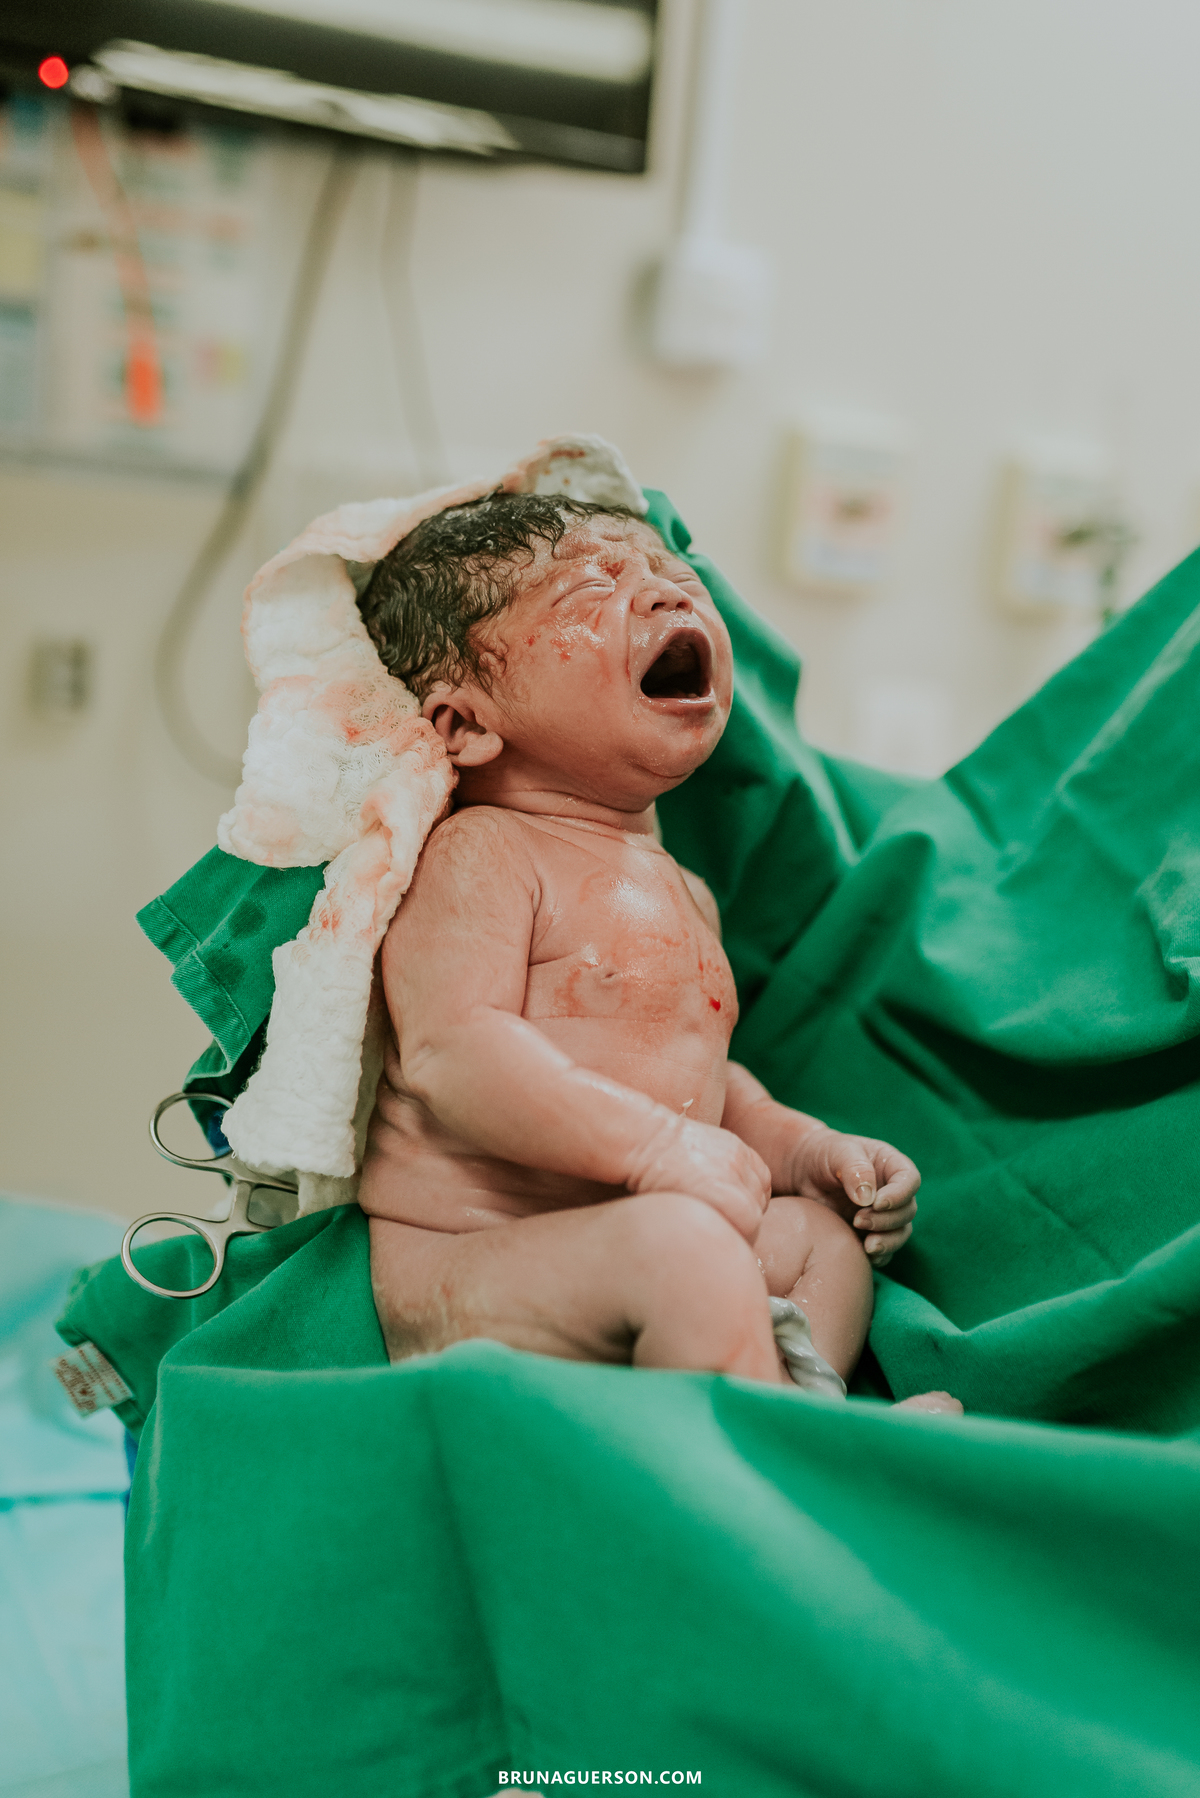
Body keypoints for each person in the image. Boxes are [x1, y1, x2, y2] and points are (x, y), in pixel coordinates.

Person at [356, 492, 959, 1411]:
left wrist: (805, 1152)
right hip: (479, 1262)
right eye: (588, 592)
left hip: (654, 1240)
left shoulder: (686, 894)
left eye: (674, 580)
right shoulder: (485, 854)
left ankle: (799, 1409)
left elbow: (711, 1084)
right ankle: (784, 1463)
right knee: (686, 1249)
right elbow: (454, 1050)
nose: (663, 598)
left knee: (816, 1245)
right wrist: (653, 1150)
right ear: (466, 725)